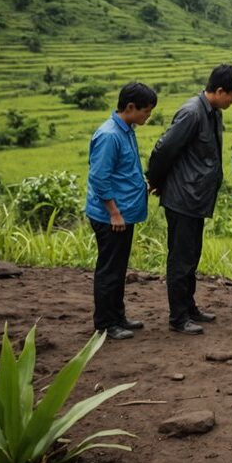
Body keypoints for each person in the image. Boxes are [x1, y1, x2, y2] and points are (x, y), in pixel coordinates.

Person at [147, 64, 232, 335]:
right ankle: (178, 317)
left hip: (196, 197)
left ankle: (189, 307)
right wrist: (155, 181)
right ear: (220, 90)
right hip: (183, 197)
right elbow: (164, 149)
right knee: (181, 258)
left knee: (191, 256)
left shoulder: (212, 112)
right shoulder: (192, 112)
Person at [85, 82, 158, 340]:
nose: (147, 116)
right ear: (130, 107)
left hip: (125, 212)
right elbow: (99, 177)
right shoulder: (109, 135)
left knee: (118, 267)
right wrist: (113, 212)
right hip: (112, 216)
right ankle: (105, 323)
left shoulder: (126, 129)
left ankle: (118, 316)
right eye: (146, 111)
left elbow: (123, 170)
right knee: (110, 269)